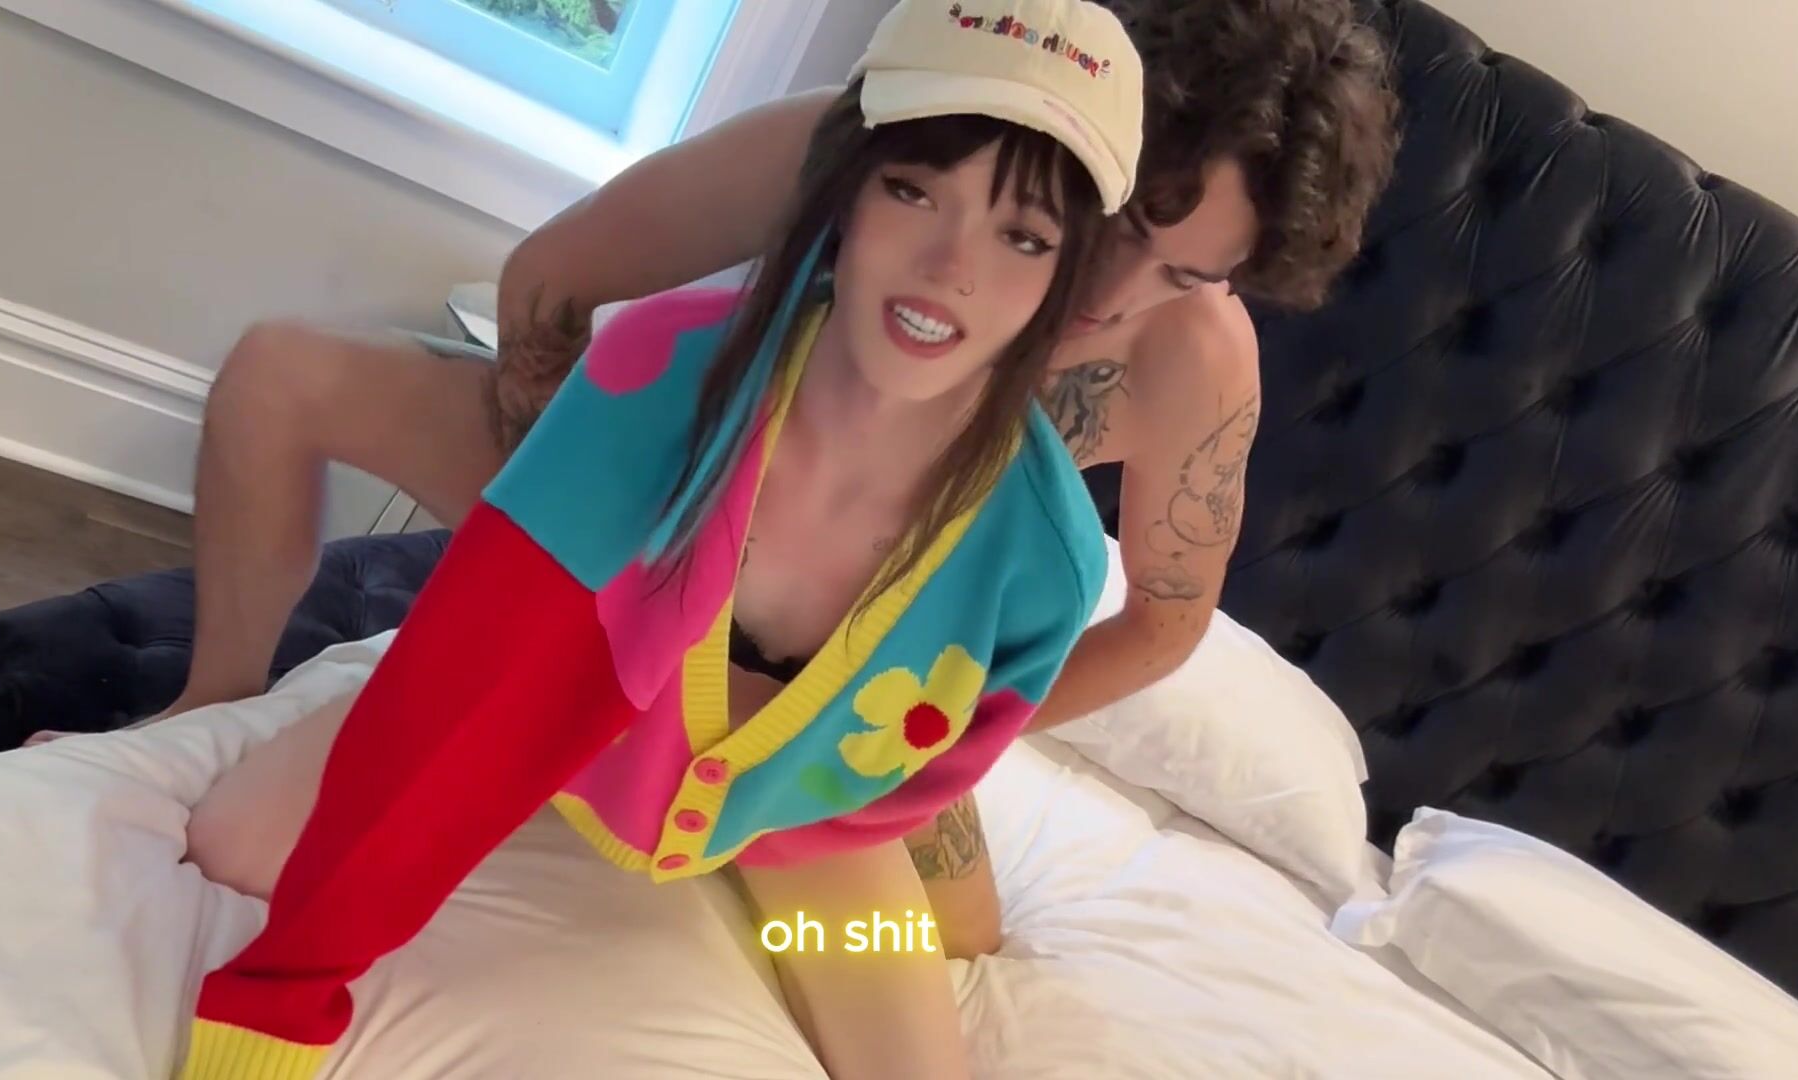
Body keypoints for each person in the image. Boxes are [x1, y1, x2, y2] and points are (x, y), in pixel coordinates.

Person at [31, 0, 1400, 963]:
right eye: (1120, 227)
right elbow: (549, 282)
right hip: (676, 514)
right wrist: (582, 524)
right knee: (279, 376)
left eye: (1186, 274)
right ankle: (213, 694)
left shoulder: (1192, 362)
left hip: (868, 641)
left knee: (954, 936)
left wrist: (922, 726)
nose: (1111, 295)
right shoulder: (866, 150)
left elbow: (1162, 622)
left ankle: (736, 897)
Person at [173, 2, 1145, 1078]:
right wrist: (276, 1009)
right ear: (846, 188)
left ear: (1067, 277)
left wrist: (748, 808)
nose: (951, 266)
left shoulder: (1047, 555)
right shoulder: (651, 374)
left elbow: (926, 778)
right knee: (234, 844)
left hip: (788, 817)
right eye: (913, 190)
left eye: (1024, 237)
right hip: (552, 720)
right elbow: (466, 674)